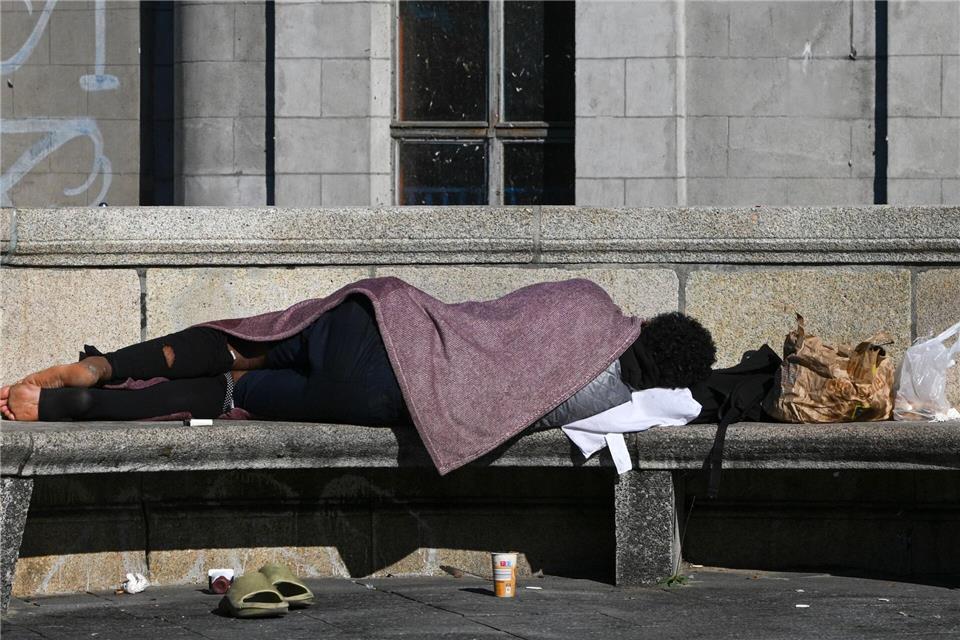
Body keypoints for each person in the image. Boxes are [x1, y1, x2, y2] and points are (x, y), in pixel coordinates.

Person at [1, 280, 716, 436]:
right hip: (387, 403)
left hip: (380, 326)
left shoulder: (588, 302)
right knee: (232, 397)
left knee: (242, 340)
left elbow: (496, 313)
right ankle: (71, 404)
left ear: (648, 320)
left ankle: (106, 365)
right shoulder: (608, 400)